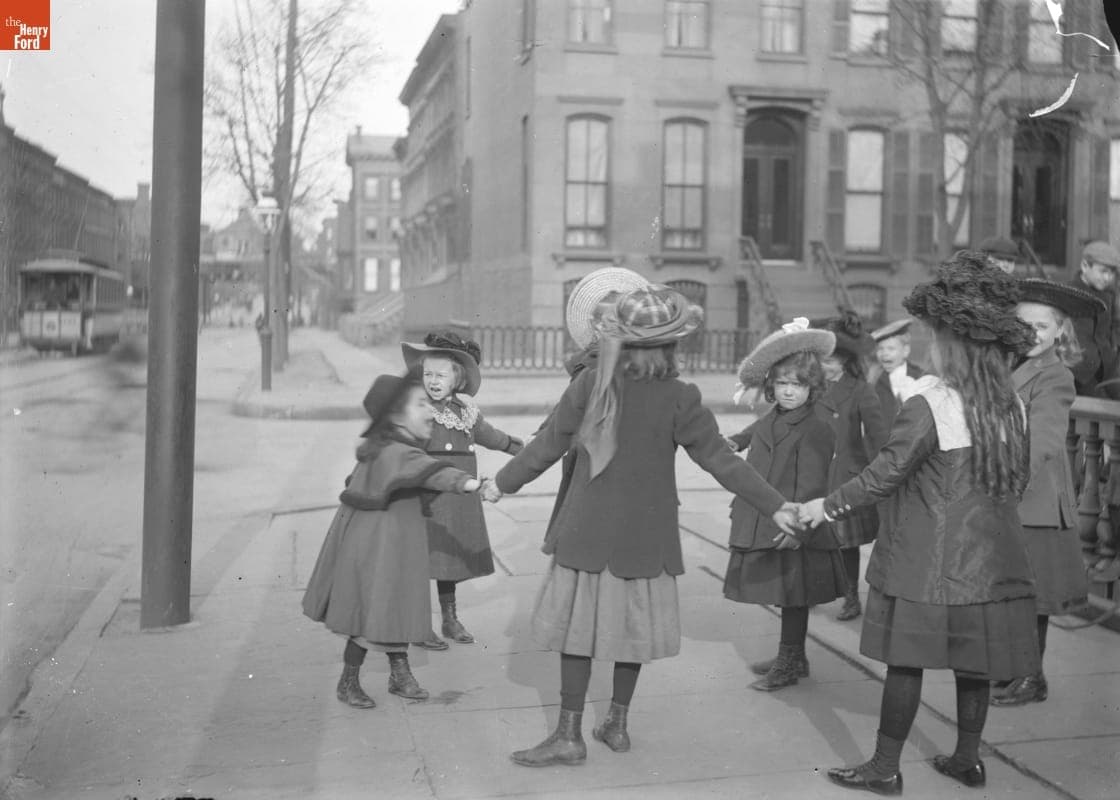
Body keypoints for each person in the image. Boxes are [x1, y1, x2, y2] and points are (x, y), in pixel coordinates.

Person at [492, 286, 803, 766]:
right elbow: (722, 460)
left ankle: (568, 735)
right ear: (672, 344)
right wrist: (775, 504)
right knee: (631, 632)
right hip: (647, 539)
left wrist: (501, 484)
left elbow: (547, 445)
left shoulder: (591, 383)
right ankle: (617, 724)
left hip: (587, 534)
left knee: (577, 633)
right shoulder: (682, 396)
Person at [800, 251, 1039, 794]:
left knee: (906, 666)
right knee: (974, 665)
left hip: (927, 561)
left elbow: (884, 475)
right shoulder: (1011, 405)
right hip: (992, 561)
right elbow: (1017, 480)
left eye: (937, 334)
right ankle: (967, 760)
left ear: (955, 342)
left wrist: (825, 506)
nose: (932, 343)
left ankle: (884, 768)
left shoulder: (930, 400)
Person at [301, 373, 487, 708]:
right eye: (420, 405)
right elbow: (436, 472)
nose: (430, 412)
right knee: (374, 611)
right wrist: (474, 485)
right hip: (381, 547)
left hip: (384, 543)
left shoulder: (382, 449)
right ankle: (350, 681)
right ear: (396, 417)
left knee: (391, 607)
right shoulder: (398, 452)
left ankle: (397, 675)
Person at [991, 279, 1100, 708]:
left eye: (1042, 326)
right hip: (1008, 496)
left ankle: (1031, 677)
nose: (1032, 333)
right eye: (1024, 325)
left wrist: (1008, 482)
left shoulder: (1055, 376)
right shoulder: (1008, 366)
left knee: (1031, 597)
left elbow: (1044, 441)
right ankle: (1014, 671)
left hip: (1032, 500)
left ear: (1060, 332)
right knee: (1012, 592)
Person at [723, 318, 843, 692]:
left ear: (813, 387)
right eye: (782, 384)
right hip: (767, 513)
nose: (789, 392)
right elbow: (759, 429)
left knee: (794, 595)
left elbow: (812, 483)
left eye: (798, 385)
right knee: (784, 592)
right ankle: (792, 655)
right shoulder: (775, 414)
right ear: (772, 386)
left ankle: (791, 661)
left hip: (792, 521)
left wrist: (799, 529)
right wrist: (736, 442)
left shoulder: (816, 426)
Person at [401, 331, 523, 650]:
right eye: (428, 374)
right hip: (427, 495)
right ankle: (417, 626)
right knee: (419, 561)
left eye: (441, 374)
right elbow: (404, 450)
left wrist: (519, 450)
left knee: (448, 561)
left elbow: (489, 435)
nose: (433, 380)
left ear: (458, 378)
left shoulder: (465, 409)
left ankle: (450, 618)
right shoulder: (420, 408)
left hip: (457, 499)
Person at [540, 267, 650, 529]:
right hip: (587, 446)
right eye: (600, 322)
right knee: (583, 506)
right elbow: (569, 402)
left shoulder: (639, 363)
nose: (607, 328)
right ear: (593, 326)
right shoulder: (587, 366)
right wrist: (547, 428)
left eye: (616, 322)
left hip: (626, 444)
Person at [811, 311, 888, 622]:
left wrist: (879, 472)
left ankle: (850, 596)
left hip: (845, 475)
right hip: (814, 472)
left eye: (830, 361)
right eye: (821, 360)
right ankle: (813, 590)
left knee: (845, 544)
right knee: (812, 538)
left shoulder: (860, 390)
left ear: (845, 360)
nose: (824, 367)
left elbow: (879, 437)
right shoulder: (813, 386)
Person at [1068, 241, 1120, 398]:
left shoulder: (1108, 295)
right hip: (1080, 372)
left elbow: (1114, 325)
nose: (1107, 278)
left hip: (1107, 366)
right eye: (1103, 271)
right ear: (1084, 266)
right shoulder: (1069, 293)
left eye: (1112, 273)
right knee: (1100, 412)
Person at [869, 318, 924, 425]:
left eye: (891, 349)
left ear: (905, 351)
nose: (885, 353)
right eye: (880, 349)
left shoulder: (920, 378)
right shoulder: (873, 380)